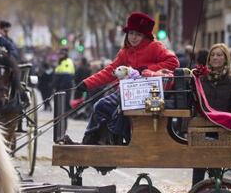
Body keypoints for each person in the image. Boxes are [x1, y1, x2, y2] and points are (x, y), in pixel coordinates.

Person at [68, 12, 179, 147]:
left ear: (145, 36)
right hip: (126, 91)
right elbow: (110, 71)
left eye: (138, 34)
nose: (134, 37)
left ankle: (115, 140)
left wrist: (145, 69)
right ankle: (92, 141)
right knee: (100, 105)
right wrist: (86, 84)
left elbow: (173, 62)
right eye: (131, 33)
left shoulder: (155, 47)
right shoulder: (124, 52)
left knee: (120, 110)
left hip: (148, 94)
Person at [192, 43, 231, 186]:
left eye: (219, 55)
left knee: (216, 171)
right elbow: (193, 106)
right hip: (201, 130)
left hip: (221, 130)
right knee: (198, 169)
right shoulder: (200, 80)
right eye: (212, 55)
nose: (215, 58)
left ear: (225, 59)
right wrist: (186, 128)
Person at [52, 48, 75, 114]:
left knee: (65, 101)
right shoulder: (61, 62)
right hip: (60, 85)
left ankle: (66, 112)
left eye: (61, 54)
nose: (59, 56)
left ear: (64, 55)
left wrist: (61, 86)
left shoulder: (67, 61)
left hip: (64, 85)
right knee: (58, 102)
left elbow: (67, 75)